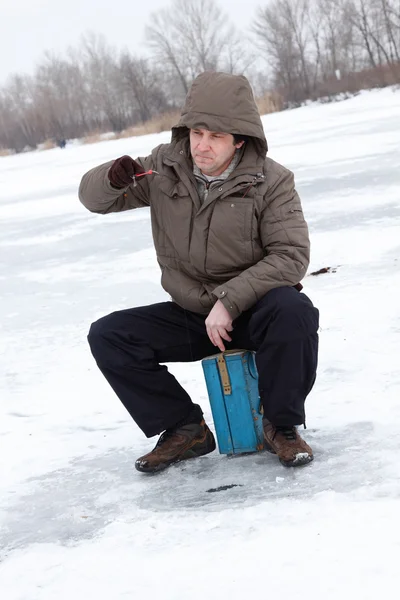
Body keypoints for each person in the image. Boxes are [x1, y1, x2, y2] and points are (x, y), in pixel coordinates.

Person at [79, 71, 319, 474]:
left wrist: (230, 300)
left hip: (254, 312)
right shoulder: (163, 167)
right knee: (110, 335)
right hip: (192, 315)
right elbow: (94, 201)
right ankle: (184, 428)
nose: (201, 146)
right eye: (196, 133)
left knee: (294, 310)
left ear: (239, 139)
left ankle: (281, 425)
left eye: (216, 137)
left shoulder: (272, 181)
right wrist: (111, 179)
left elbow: (290, 255)